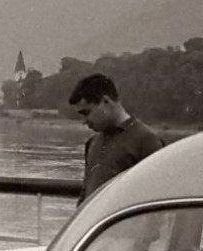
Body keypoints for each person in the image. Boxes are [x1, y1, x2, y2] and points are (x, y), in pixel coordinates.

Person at [68, 73, 163, 204]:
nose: (84, 121)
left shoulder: (147, 141)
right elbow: (85, 194)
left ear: (106, 101)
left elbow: (156, 197)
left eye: (86, 113)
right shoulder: (92, 143)